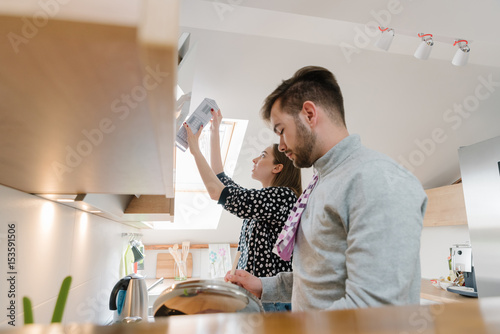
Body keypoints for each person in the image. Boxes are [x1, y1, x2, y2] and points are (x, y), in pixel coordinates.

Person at [224, 66, 428, 311]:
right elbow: (321, 275)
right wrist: (264, 285)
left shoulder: (378, 179)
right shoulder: (322, 182)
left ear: (309, 114)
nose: (281, 146)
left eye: (281, 131)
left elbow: (378, 309)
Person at [183, 109, 302, 312]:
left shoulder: (283, 197)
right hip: (254, 299)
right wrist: (215, 130)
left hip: (272, 303)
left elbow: (215, 192)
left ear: (278, 168)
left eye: (263, 156)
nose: (254, 160)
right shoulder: (261, 202)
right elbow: (220, 178)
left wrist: (195, 150)